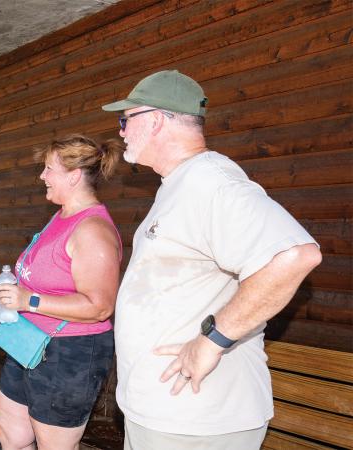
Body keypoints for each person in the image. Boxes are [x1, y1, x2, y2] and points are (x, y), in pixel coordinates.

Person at [102, 70, 322, 449]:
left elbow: (294, 255)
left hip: (197, 420)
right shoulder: (180, 184)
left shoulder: (210, 181)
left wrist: (211, 341)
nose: (121, 131)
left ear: (154, 120)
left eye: (126, 120)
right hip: (161, 412)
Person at [0, 135, 123, 450]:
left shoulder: (93, 230)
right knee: (11, 433)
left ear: (74, 176)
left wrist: (29, 300)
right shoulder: (60, 215)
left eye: (49, 169)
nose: (42, 177)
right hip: (29, 343)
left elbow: (100, 306)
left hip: (70, 354)